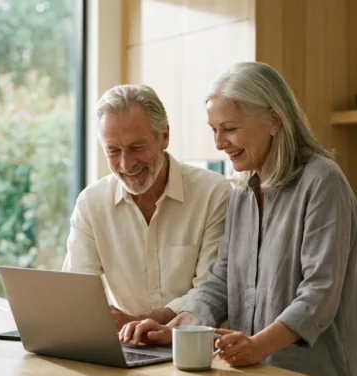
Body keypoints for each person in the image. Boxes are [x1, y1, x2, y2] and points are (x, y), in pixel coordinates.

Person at [118, 62, 357, 376]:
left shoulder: (322, 181)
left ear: (274, 120)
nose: (218, 142)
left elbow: (319, 295)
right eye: (214, 130)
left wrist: (258, 344)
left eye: (229, 128)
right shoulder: (244, 192)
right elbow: (220, 282)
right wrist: (176, 328)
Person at [62, 84, 232, 330]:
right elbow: (77, 290)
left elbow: (211, 290)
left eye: (136, 148)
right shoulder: (91, 203)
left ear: (164, 136)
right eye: (113, 151)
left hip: (198, 347)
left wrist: (140, 321)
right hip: (127, 345)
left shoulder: (214, 194)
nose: (126, 163)